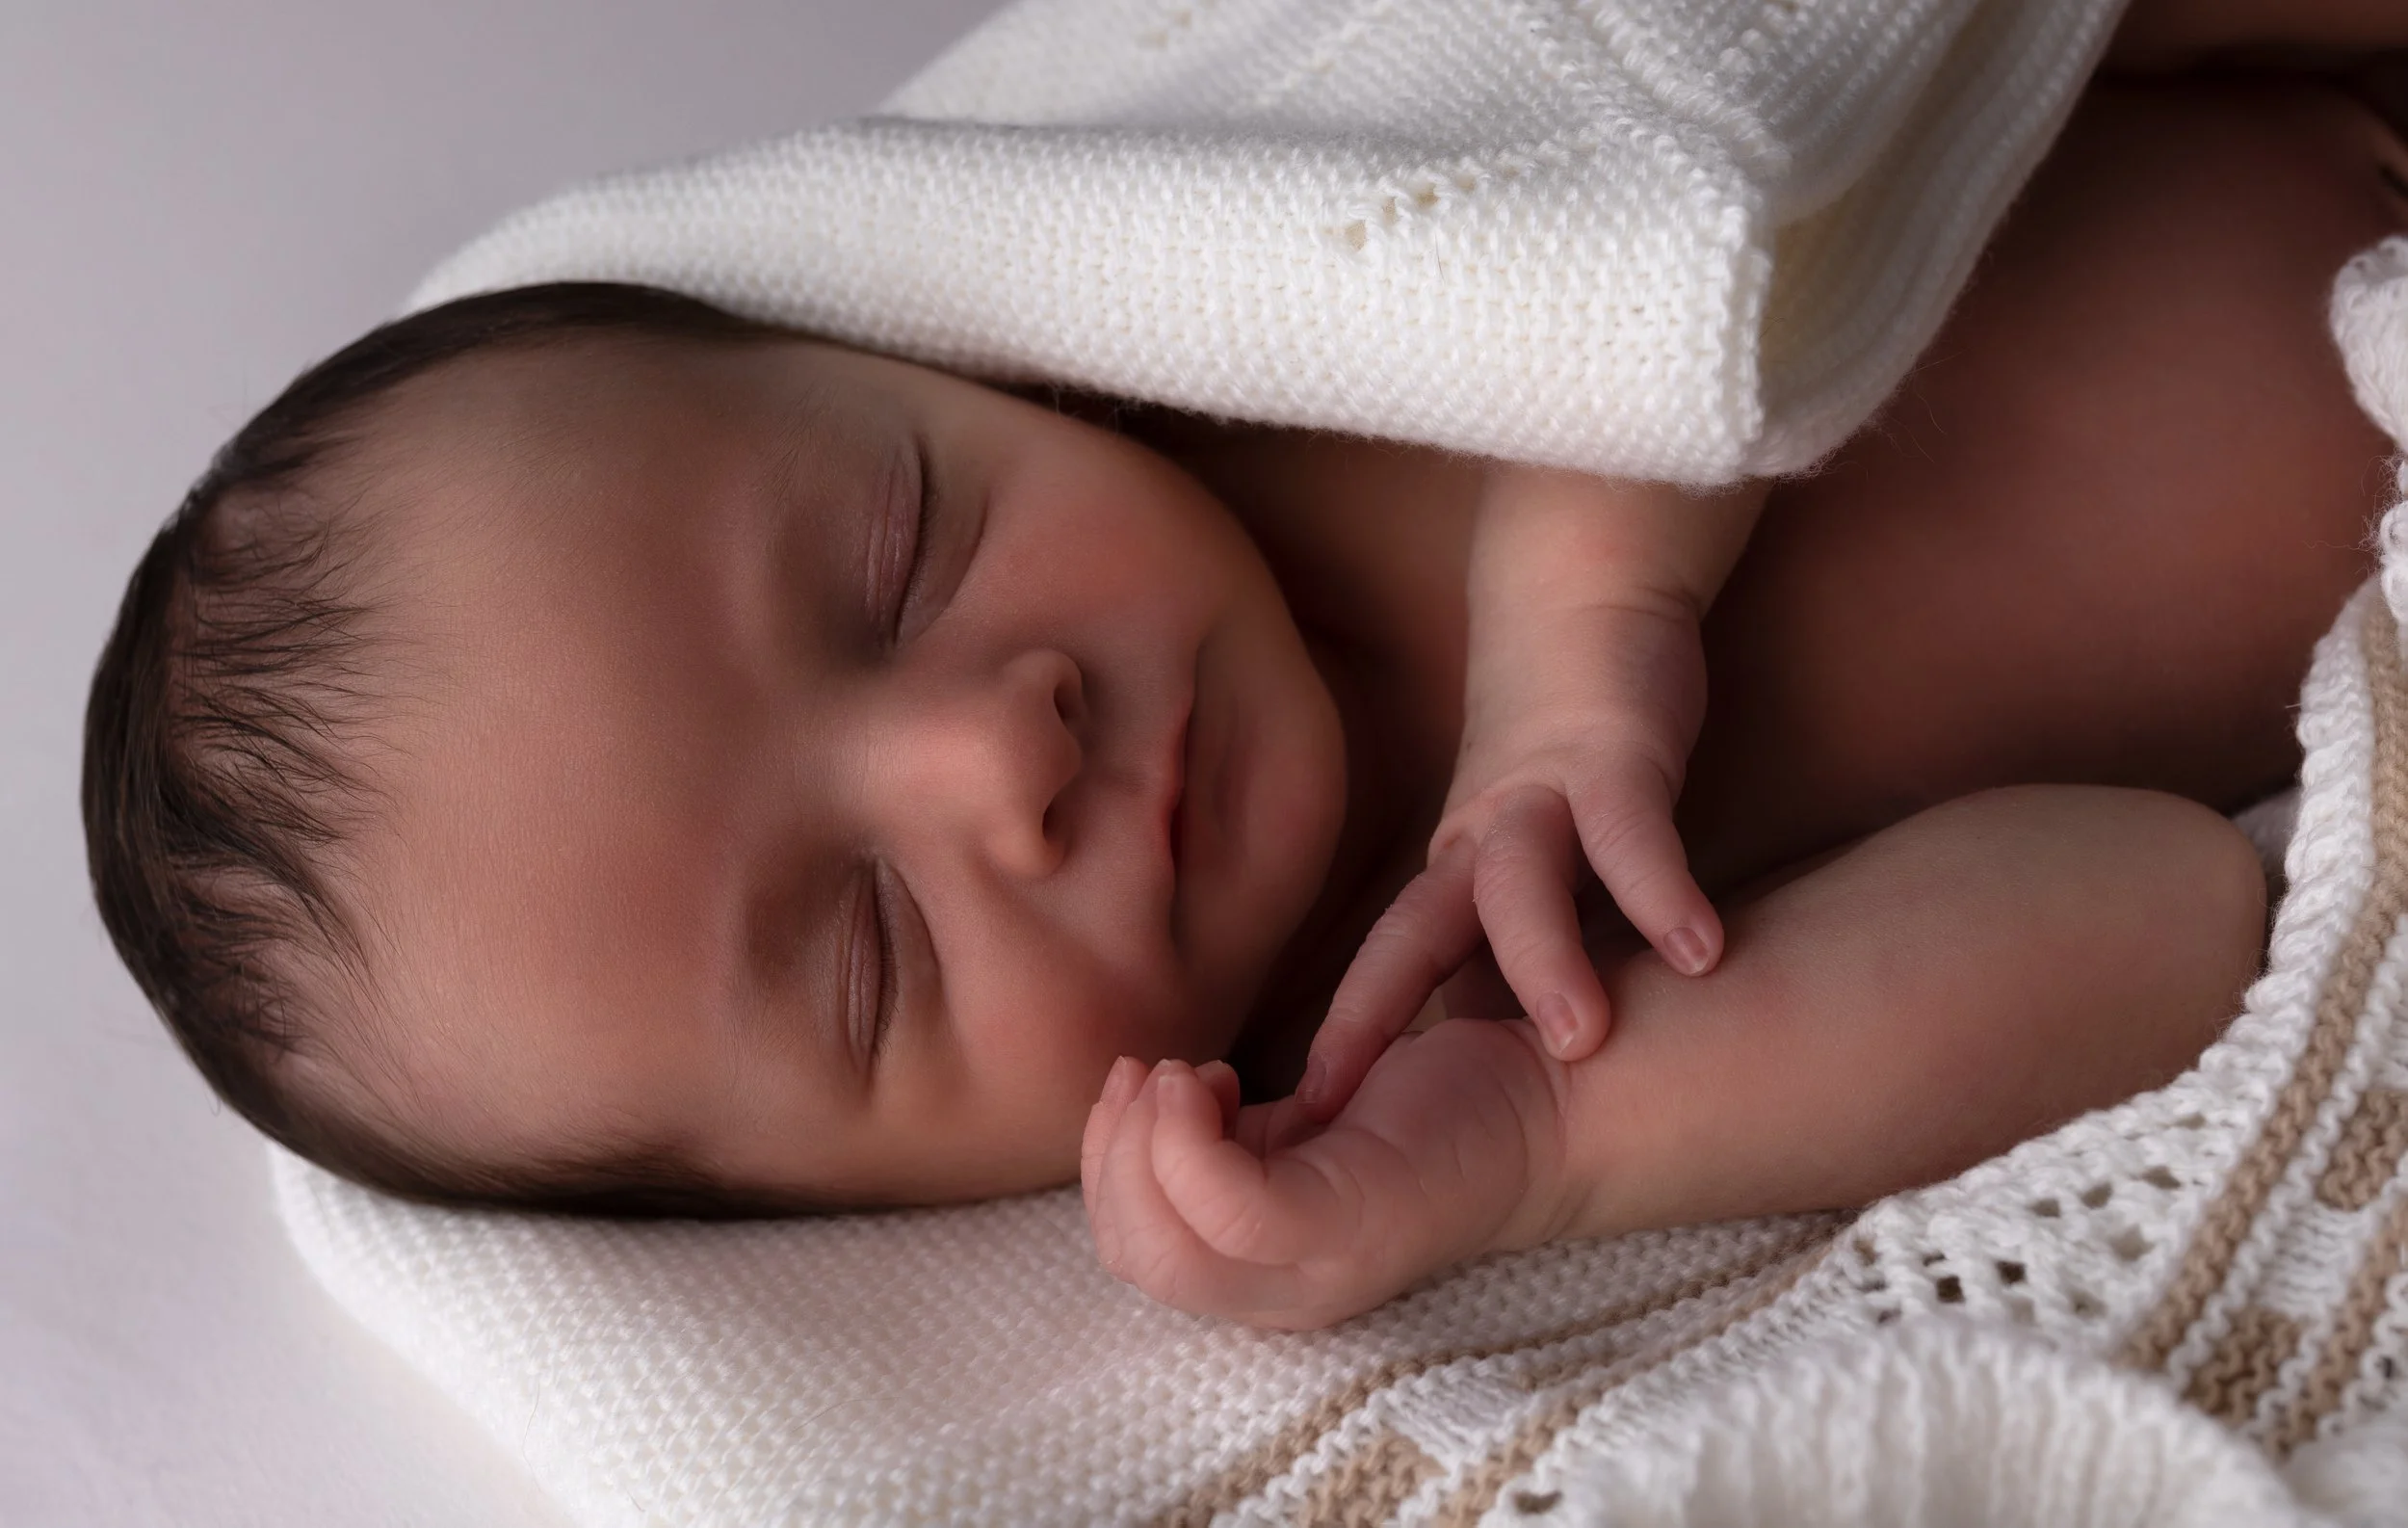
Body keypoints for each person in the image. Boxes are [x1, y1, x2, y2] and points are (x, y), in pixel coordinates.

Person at [79, 2, 2408, 1330]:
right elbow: (2165, 929)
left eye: (896, 547)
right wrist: (1543, 1143)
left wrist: (1588, 639)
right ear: (875, 1214)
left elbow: (1690, 230)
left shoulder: (1300, 367)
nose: (997, 750)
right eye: (871, 948)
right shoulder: (1424, 1038)